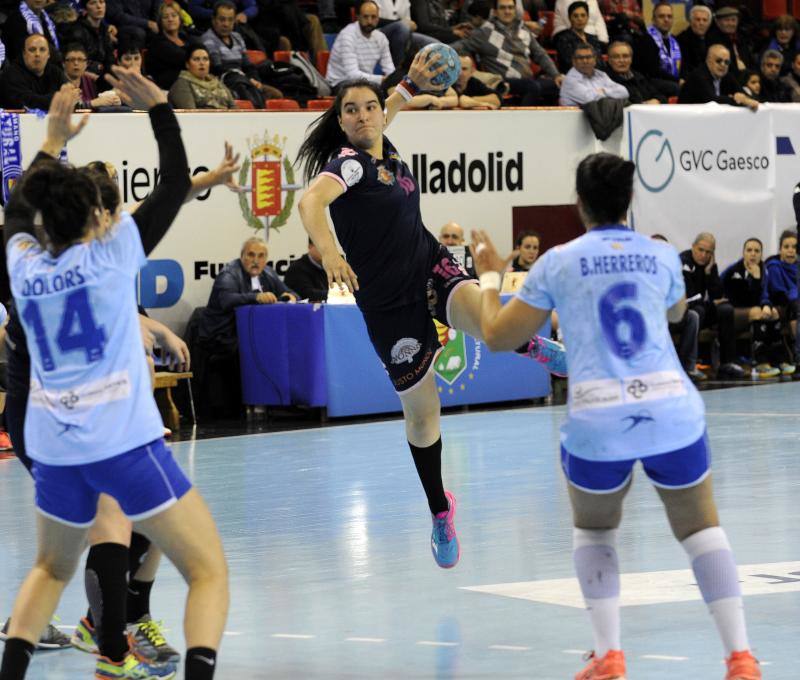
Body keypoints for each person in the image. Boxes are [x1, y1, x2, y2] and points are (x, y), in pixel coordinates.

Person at [469, 151, 762, 680]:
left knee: (596, 532)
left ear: (578, 203)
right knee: (700, 532)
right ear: (629, 201)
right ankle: (739, 657)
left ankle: (610, 656)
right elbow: (674, 312)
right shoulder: (661, 256)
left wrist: (490, 276)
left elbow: (497, 336)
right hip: (669, 406)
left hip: (598, 417)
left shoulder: (556, 261)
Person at [0, 73, 229, 680]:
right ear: (98, 219)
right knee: (207, 571)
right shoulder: (113, 255)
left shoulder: (23, 267)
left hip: (51, 442)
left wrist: (49, 138)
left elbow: (15, 211)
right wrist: (159, 109)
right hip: (120, 441)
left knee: (49, 570)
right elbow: (174, 184)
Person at [296, 57, 565, 571]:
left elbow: (394, 102)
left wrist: (413, 83)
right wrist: (329, 251)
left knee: (487, 323)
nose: (364, 116)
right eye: (350, 110)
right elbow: (312, 202)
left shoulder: (382, 140)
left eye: (369, 107)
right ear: (339, 119)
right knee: (423, 416)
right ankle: (440, 510)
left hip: (429, 265)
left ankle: (530, 345)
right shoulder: (347, 163)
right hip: (386, 303)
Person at [197, 237, 298, 353]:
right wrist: (256, 297)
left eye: (261, 256)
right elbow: (227, 300)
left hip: (248, 333)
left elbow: (291, 293)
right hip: (221, 337)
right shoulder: (229, 274)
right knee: (262, 346)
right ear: (242, 256)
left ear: (266, 259)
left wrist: (292, 297)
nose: (256, 261)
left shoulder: (268, 273)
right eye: (251, 255)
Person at [452, 0, 562, 106]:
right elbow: (459, 46)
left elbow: (540, 53)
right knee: (532, 87)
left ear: (515, 10)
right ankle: (522, 123)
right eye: (503, 8)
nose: (507, 11)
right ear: (495, 11)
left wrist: (556, 75)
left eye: (510, 7)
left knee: (558, 86)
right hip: (502, 81)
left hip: (527, 80)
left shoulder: (523, 29)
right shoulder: (484, 33)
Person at [721, 237, 792, 377]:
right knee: (758, 312)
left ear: (761, 254)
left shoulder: (763, 270)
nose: (753, 254)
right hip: (734, 312)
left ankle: (779, 359)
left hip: (754, 309)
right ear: (743, 253)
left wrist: (767, 305)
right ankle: (761, 362)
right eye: (749, 250)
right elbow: (718, 285)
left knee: (773, 313)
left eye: (756, 251)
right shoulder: (734, 269)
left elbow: (764, 294)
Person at [680, 232, 746, 380]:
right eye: (700, 250)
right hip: (686, 312)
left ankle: (727, 363)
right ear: (693, 247)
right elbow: (690, 298)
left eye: (708, 252)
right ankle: (689, 364)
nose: (704, 255)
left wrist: (710, 272)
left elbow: (717, 295)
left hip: (702, 308)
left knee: (726, 309)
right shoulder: (684, 262)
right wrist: (711, 303)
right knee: (698, 311)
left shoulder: (709, 264)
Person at [201, 0, 283, 100]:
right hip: (225, 84)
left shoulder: (237, 37)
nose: (226, 24)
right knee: (249, 95)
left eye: (230, 20)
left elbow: (247, 65)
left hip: (244, 81)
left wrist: (255, 80)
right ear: (213, 20)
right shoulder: (208, 39)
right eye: (222, 19)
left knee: (276, 95)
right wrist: (248, 80)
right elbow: (218, 68)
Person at [326, 0, 395, 89]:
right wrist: (382, 79)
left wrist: (393, 81)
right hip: (340, 82)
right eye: (365, 17)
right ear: (357, 17)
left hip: (364, 82)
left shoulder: (381, 38)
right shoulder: (347, 35)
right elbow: (352, 75)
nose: (369, 21)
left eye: (373, 17)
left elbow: (390, 69)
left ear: (378, 18)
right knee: (372, 90)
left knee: (393, 89)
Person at [678, 44, 759, 110]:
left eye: (726, 62)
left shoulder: (727, 76)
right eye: (718, 61)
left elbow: (746, 97)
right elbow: (712, 100)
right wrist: (736, 99)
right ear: (709, 60)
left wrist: (744, 99)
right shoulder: (699, 76)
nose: (723, 65)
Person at [0, 34, 68, 110]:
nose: (37, 54)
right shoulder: (11, 74)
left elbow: (71, 97)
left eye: (42, 50)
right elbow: (28, 103)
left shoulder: (56, 72)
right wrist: (60, 99)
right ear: (24, 54)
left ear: (48, 54)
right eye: (32, 50)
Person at [764, 229, 800, 364]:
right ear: (780, 250)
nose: (791, 250)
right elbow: (779, 294)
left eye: (795, 247)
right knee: (796, 306)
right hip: (782, 305)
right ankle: (797, 354)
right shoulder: (774, 267)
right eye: (786, 247)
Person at [62, 0, 116, 84]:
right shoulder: (77, 31)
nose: (99, 6)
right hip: (84, 78)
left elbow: (110, 59)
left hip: (102, 76)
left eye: (101, 2)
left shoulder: (104, 29)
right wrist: (99, 77)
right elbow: (76, 62)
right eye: (93, 3)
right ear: (85, 9)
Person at [168, 43, 236, 108]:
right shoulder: (182, 84)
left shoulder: (217, 82)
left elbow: (234, 108)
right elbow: (190, 114)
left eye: (205, 59)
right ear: (187, 64)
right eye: (196, 59)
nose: (202, 63)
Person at [559, 43, 628, 106]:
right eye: (580, 58)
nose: (585, 61)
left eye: (588, 57)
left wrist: (603, 91)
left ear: (595, 59)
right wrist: (611, 94)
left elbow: (624, 92)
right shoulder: (570, 80)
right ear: (574, 61)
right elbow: (590, 100)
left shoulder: (601, 75)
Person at [145, 1, 190, 90]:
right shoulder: (158, 42)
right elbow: (184, 59)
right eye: (165, 17)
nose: (170, 19)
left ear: (180, 19)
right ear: (160, 21)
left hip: (187, 82)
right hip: (167, 87)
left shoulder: (186, 38)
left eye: (174, 15)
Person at [63, 43, 122, 109]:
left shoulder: (90, 81)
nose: (76, 63)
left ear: (86, 64)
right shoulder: (57, 81)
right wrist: (93, 103)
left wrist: (112, 100)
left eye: (80, 60)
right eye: (72, 60)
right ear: (63, 63)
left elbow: (101, 100)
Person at [606, 40, 665, 104]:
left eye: (625, 56)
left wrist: (657, 100)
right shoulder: (605, 80)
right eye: (616, 57)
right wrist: (643, 105)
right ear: (609, 60)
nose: (622, 60)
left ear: (631, 59)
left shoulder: (639, 76)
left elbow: (660, 96)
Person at [554, 1, 604, 74]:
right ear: (569, 18)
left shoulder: (593, 38)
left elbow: (600, 61)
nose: (580, 19)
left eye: (583, 15)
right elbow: (571, 63)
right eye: (575, 16)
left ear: (588, 17)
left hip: (596, 76)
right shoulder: (563, 38)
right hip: (574, 76)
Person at [705, 6, 753, 79]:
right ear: (717, 22)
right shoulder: (713, 40)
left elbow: (750, 61)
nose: (730, 23)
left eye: (733, 20)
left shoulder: (741, 37)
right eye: (727, 20)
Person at [646, 2, 680, 85]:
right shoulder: (646, 39)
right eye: (661, 16)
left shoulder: (675, 40)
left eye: (669, 16)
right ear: (653, 19)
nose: (666, 20)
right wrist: (678, 80)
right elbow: (652, 71)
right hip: (652, 82)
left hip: (673, 80)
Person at [677, 4, 712, 80]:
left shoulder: (713, 39)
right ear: (691, 21)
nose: (701, 23)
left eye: (704, 20)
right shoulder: (682, 39)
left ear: (709, 24)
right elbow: (684, 67)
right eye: (698, 19)